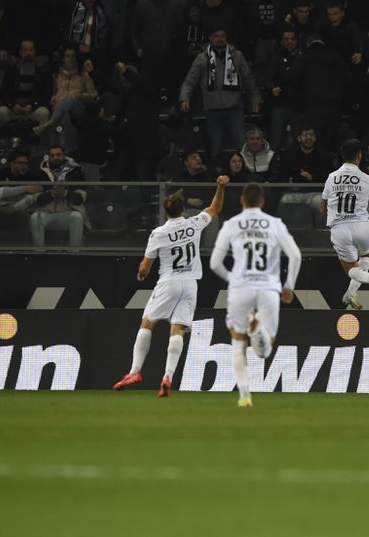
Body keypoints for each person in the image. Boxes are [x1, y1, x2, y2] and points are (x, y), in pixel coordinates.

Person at [113, 176, 229, 397]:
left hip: (169, 282)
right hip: (190, 284)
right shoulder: (194, 224)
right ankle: (168, 377)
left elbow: (145, 267)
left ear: (165, 211)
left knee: (148, 323)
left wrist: (140, 274)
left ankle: (135, 371)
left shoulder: (159, 233)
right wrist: (220, 186)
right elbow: (215, 207)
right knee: (177, 329)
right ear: (183, 209)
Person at [209, 183, 302, 407]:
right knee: (264, 351)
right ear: (262, 201)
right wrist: (288, 286)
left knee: (237, 342)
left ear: (242, 200)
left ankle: (244, 396)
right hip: (268, 287)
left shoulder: (231, 224)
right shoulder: (275, 224)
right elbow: (296, 256)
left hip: (241, 287)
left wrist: (233, 279)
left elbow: (214, 264)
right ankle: (259, 330)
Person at [321, 139, 369, 310]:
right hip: (361, 226)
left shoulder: (331, 178)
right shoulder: (366, 178)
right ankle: (351, 294)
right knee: (368, 252)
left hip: (339, 228)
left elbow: (323, 204)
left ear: (342, 155)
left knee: (351, 269)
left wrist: (327, 215)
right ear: (360, 156)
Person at [179, 25, 261, 157]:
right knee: (215, 148)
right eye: (216, 36)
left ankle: (246, 176)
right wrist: (185, 98)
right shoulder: (202, 58)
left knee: (242, 147)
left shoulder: (237, 56)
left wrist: (255, 99)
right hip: (213, 110)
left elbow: (248, 79)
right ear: (210, 39)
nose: (220, 39)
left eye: (223, 36)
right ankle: (217, 176)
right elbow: (190, 81)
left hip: (235, 109)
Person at [0, 39, 52, 142]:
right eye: (25, 50)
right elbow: (3, 93)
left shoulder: (43, 71)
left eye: (30, 50)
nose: (28, 53)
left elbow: (46, 94)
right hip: (14, 109)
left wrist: (32, 105)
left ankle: (44, 149)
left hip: (33, 109)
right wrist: (12, 105)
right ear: (20, 52)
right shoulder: (12, 70)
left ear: (34, 52)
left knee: (44, 114)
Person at [33, 44, 98, 135]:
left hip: (77, 108)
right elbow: (53, 93)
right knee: (64, 116)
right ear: (63, 58)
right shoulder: (56, 75)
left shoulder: (83, 74)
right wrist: (53, 98)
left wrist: (80, 96)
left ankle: (48, 125)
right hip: (60, 107)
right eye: (67, 56)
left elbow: (94, 94)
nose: (70, 58)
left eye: (73, 56)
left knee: (69, 99)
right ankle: (64, 147)